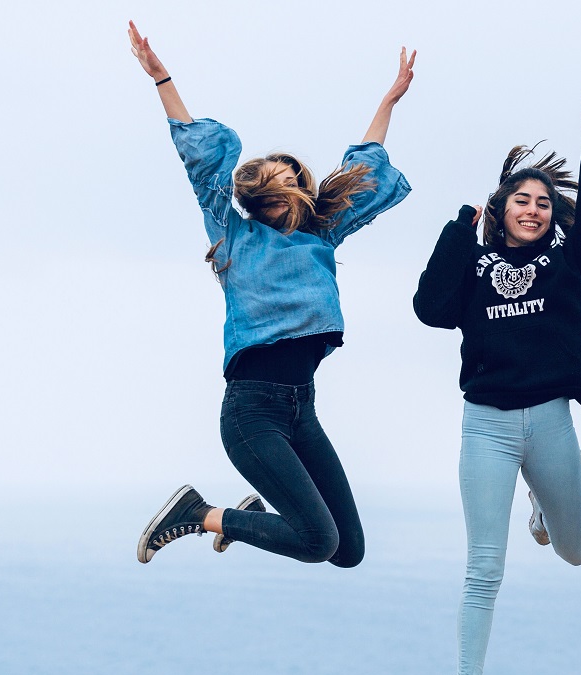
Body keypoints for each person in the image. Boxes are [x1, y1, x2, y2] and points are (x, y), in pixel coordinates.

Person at [126, 21, 413, 568]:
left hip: (300, 408)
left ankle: (251, 518)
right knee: (315, 541)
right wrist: (162, 77)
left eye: (294, 180)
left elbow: (365, 166)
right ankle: (198, 512)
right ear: (259, 195)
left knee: (346, 551)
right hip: (251, 410)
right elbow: (201, 162)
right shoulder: (232, 236)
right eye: (275, 183)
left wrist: (389, 100)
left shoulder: (319, 236)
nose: (288, 189)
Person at [413, 92, 581, 675]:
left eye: (541, 202)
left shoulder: (565, 264)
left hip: (551, 421)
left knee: (576, 550)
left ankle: (542, 501)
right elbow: (429, 309)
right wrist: (455, 229)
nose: (533, 207)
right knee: (483, 570)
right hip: (488, 428)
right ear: (499, 210)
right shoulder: (471, 271)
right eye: (519, 200)